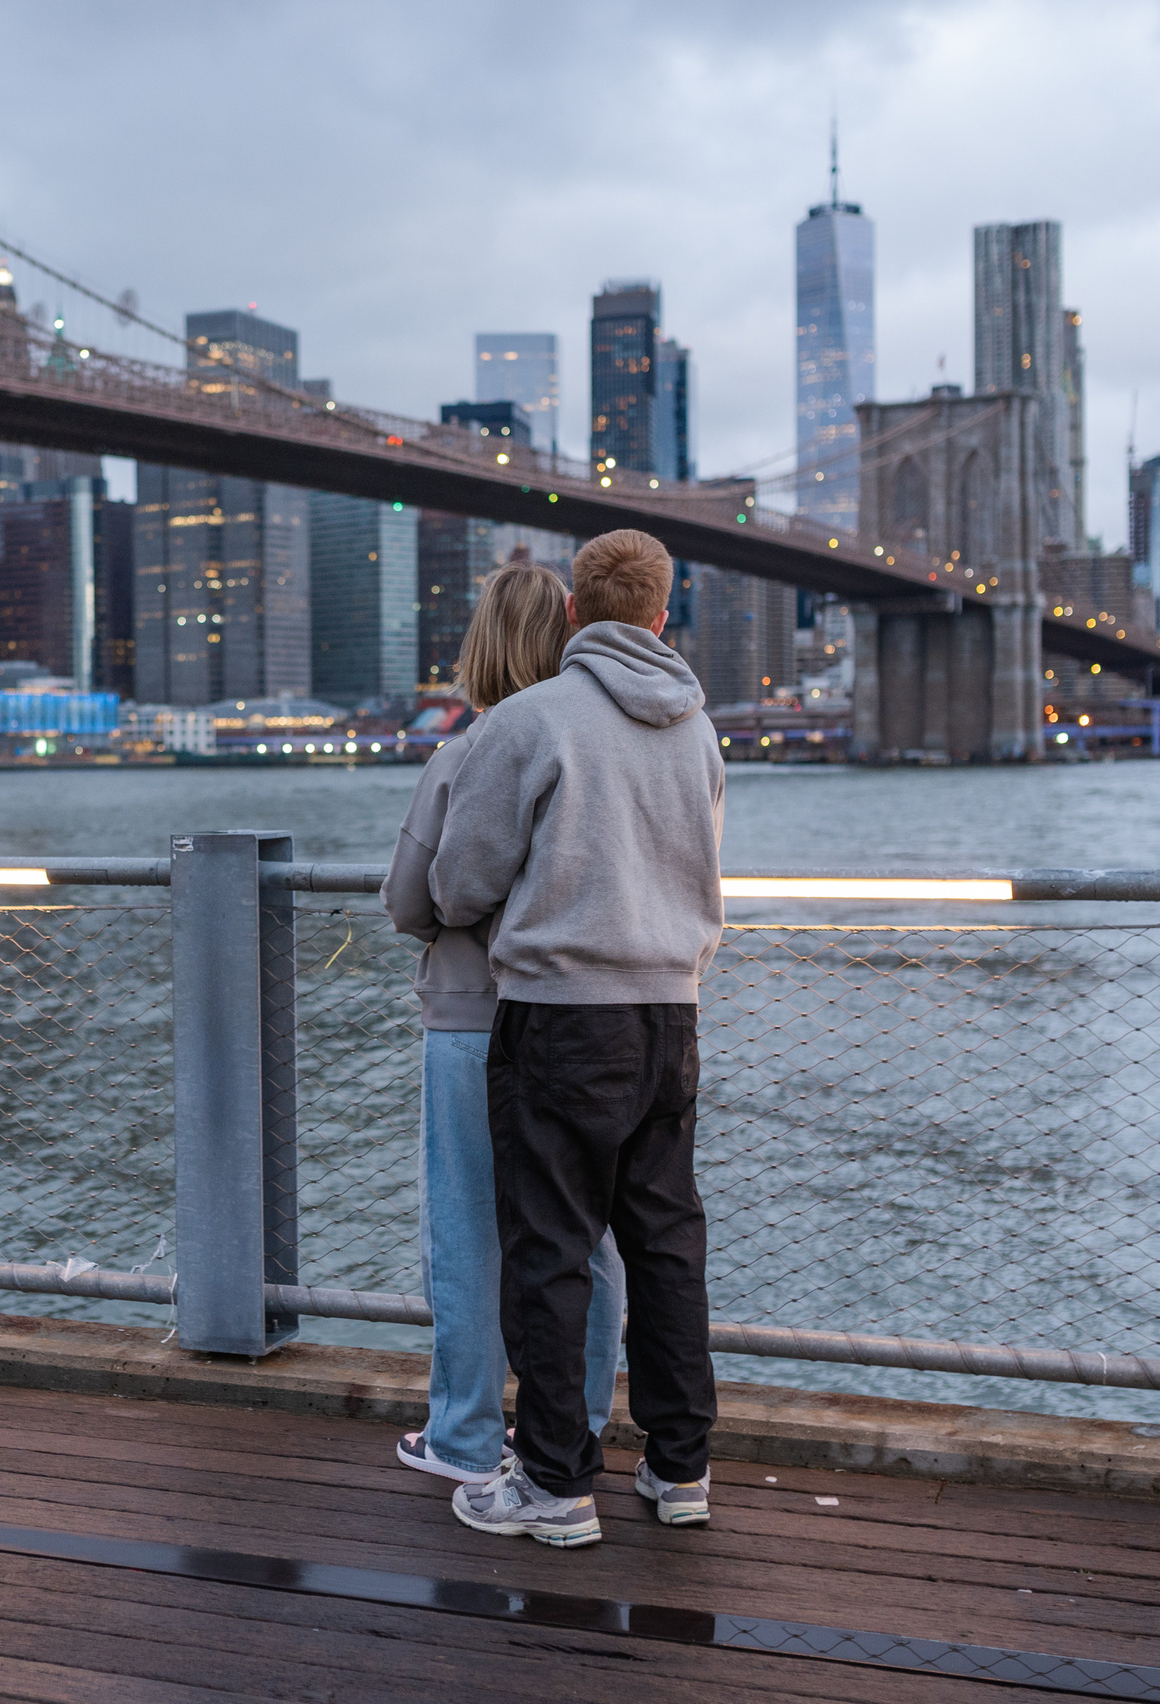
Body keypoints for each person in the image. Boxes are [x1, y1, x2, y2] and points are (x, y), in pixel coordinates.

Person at [429, 528, 726, 1549]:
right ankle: (679, 1470)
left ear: (572, 615)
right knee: (664, 1244)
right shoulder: (699, 730)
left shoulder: (531, 719)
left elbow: (460, 881)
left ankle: (554, 1485)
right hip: (669, 1014)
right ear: (661, 612)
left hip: (557, 1016)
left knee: (551, 1248)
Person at [382, 553, 626, 1488]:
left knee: (467, 1236)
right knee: (585, 1236)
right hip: (582, 1018)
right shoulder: (596, 752)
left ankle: (466, 1437)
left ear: (482, 646)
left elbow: (411, 902)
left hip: (469, 1019)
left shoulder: (467, 753)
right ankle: (577, 1425)